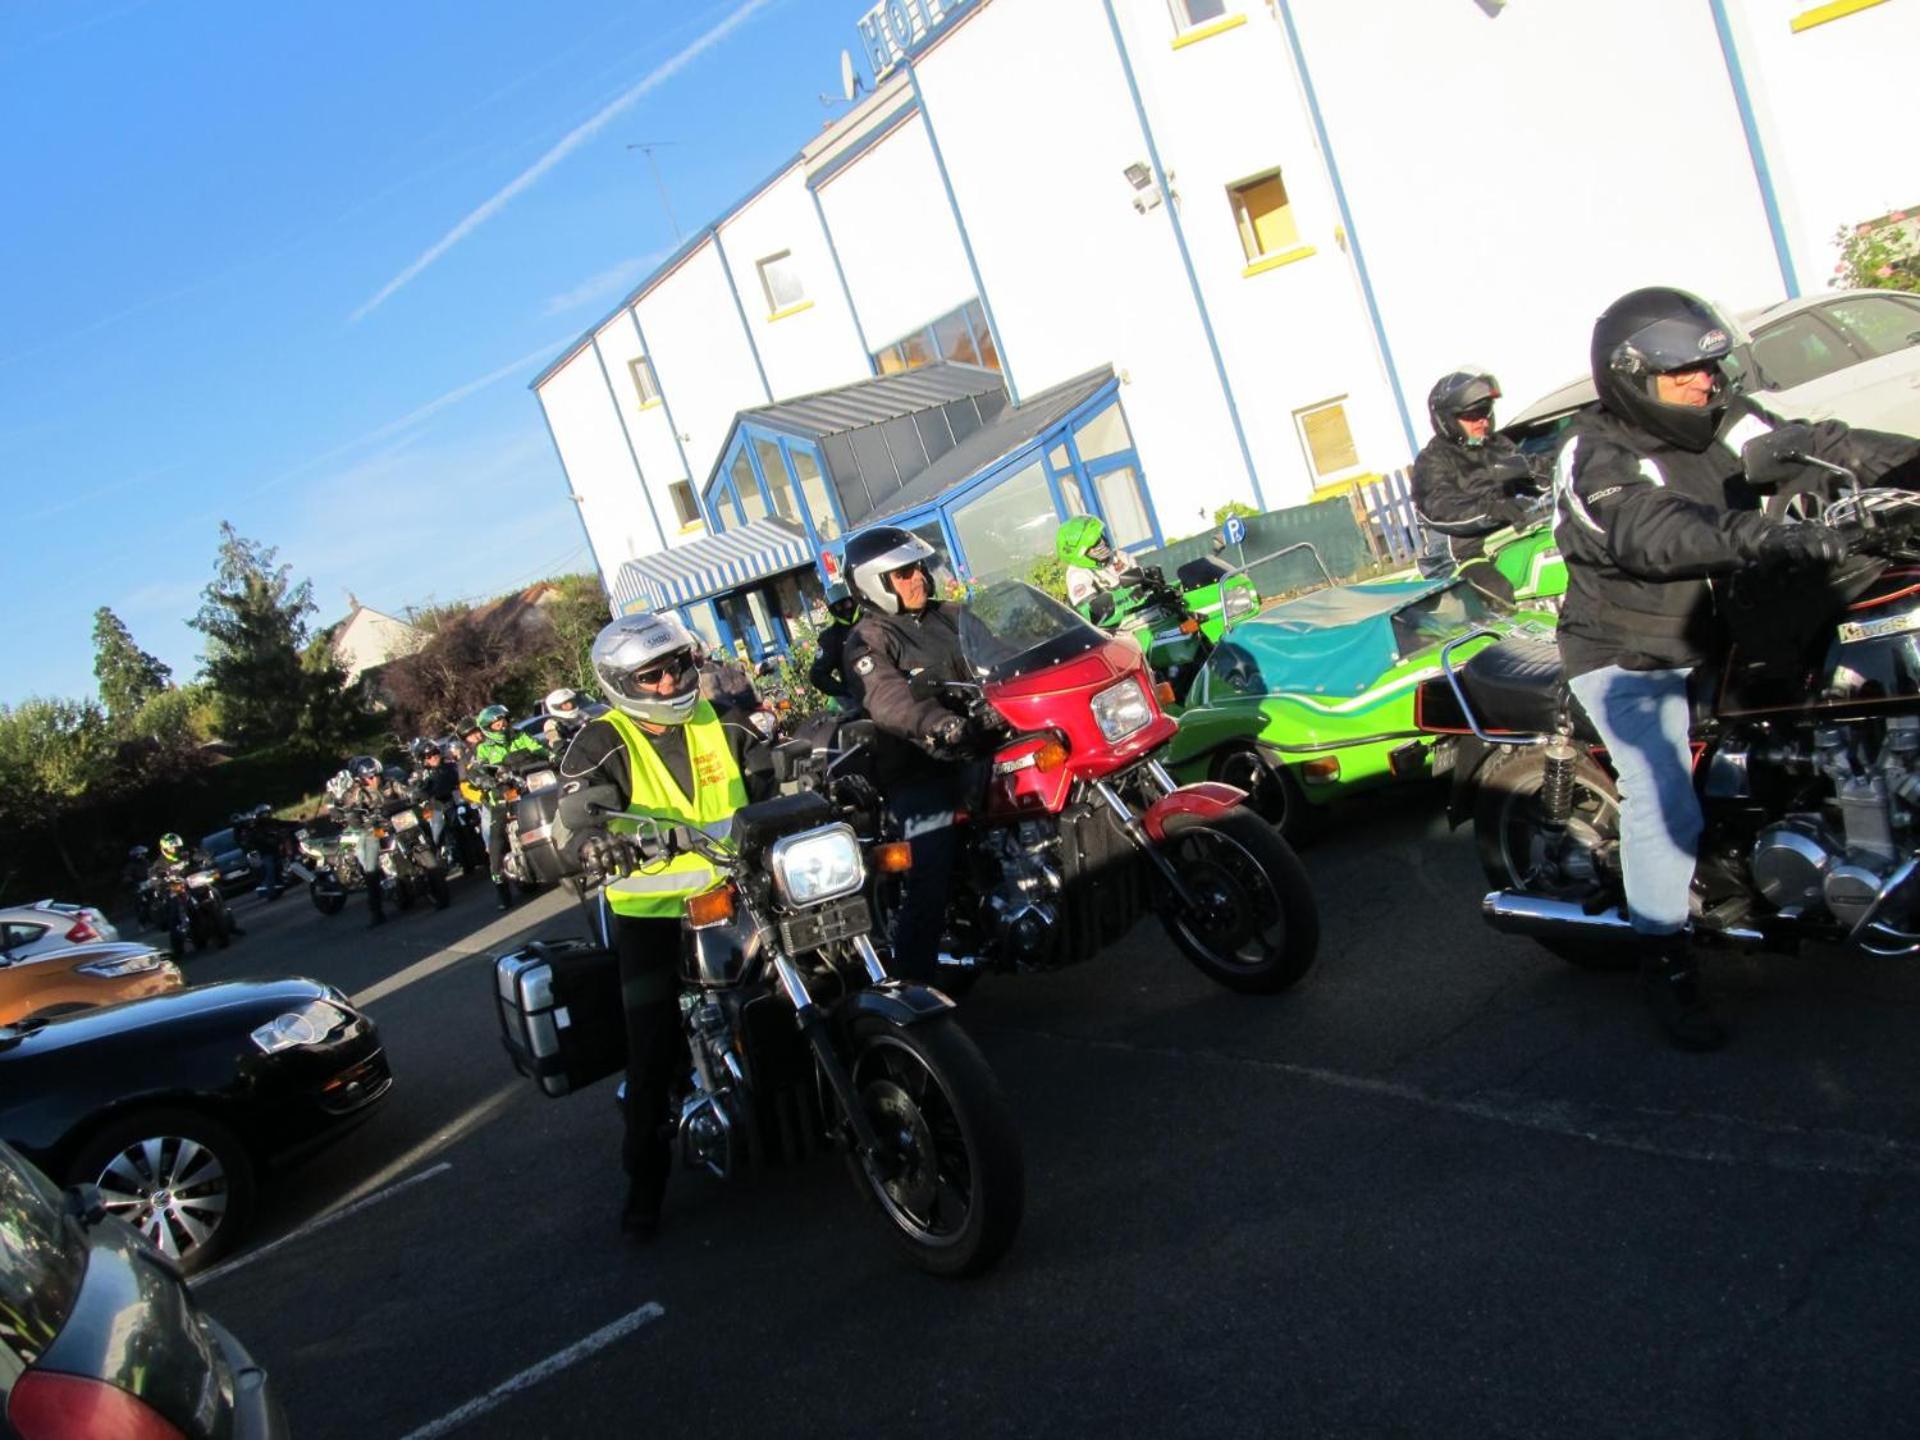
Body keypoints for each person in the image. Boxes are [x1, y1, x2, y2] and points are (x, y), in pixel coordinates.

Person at [1554, 285, 1920, 1051]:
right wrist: (1766, 536)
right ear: (1631, 378)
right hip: (1636, 651)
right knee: (1663, 799)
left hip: (1738, 624)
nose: (1704, 381)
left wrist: (1907, 465)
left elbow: (1819, 446)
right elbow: (1651, 530)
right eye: (1683, 371)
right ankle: (1666, 961)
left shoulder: (1726, 414)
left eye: (1710, 366)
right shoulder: (1597, 454)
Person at [554, 612, 773, 1238]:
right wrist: (594, 843)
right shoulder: (600, 741)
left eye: (677, 666)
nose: (670, 682)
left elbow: (772, 773)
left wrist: (814, 767)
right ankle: (644, 1184)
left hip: (739, 887)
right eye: (651, 676)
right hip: (654, 911)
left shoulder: (722, 718)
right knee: (651, 1044)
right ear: (620, 682)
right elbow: (574, 817)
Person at [841, 525, 980, 984]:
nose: (918, 578)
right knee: (931, 862)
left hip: (981, 744)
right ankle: (913, 985)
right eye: (903, 574)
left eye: (918, 568)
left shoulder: (952, 615)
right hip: (921, 767)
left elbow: (1004, 650)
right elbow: (887, 698)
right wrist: (936, 723)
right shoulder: (868, 640)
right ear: (874, 583)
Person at [1411, 369, 1550, 606]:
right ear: (1448, 420)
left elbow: (1544, 476)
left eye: (1485, 412)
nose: (1482, 421)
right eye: (1472, 415)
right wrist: (1492, 510)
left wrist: (1534, 471)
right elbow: (1440, 510)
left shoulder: (1498, 445)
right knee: (1497, 591)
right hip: (1459, 557)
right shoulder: (1432, 460)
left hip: (1502, 540)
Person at [465, 703, 549, 911]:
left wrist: (554, 756)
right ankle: (501, 889)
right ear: (487, 729)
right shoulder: (484, 748)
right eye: (496, 724)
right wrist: (483, 779)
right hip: (503, 797)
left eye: (503, 722)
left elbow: (539, 749)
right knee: (496, 842)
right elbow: (475, 769)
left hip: (532, 790)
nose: (502, 726)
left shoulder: (520, 736)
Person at [336, 755, 414, 925]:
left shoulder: (390, 783)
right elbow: (348, 809)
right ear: (360, 778)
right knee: (371, 868)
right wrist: (352, 816)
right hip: (375, 829)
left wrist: (414, 793)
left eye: (376, 775)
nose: (374, 780)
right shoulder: (355, 792)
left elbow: (406, 790)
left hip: (397, 821)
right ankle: (376, 911)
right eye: (369, 777)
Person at [148, 832, 243, 937]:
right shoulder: (159, 864)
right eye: (172, 848)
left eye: (177, 847)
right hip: (179, 888)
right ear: (164, 849)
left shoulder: (188, 853)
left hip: (196, 881)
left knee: (214, 891)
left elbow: (202, 855)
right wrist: (160, 882)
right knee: (174, 907)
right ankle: (178, 933)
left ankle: (228, 920)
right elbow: (154, 877)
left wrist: (208, 860)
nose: (175, 850)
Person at [1056, 515, 1141, 619]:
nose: (1102, 544)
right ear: (1080, 554)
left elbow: (1141, 582)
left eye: (1100, 538)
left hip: (1146, 615)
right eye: (1095, 544)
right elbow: (1092, 615)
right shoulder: (1077, 575)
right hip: (1119, 626)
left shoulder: (1119, 556)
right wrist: (1130, 598)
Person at [807, 584, 861, 704]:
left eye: (846, 603)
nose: (845, 609)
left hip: (892, 685)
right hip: (861, 697)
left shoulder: (875, 622)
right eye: (838, 607)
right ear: (832, 610)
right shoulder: (831, 638)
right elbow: (817, 674)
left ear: (854, 601)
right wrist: (846, 692)